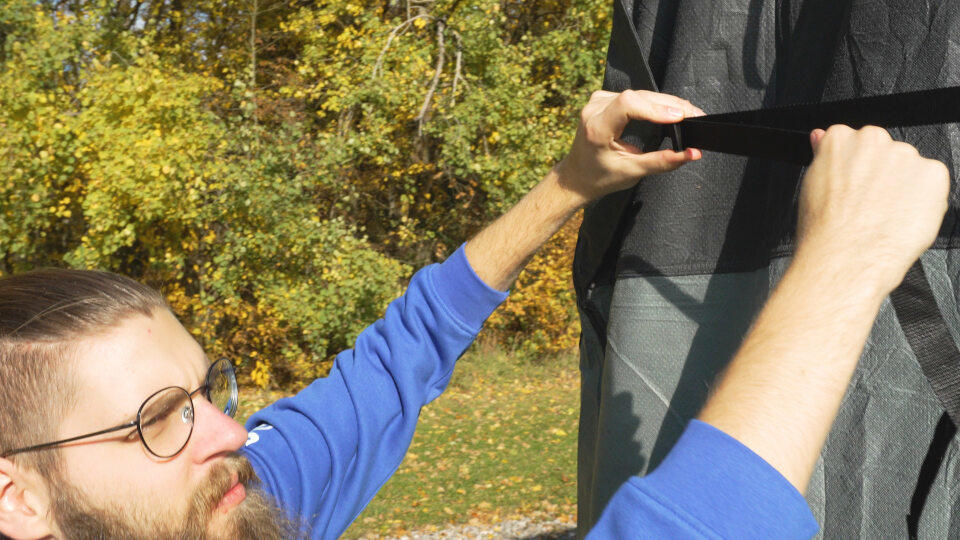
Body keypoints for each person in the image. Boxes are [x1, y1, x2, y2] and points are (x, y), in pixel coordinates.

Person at [0, 88, 947, 539]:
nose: (232, 430)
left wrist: (569, 182)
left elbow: (395, 357)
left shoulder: (228, 504)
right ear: (19, 498)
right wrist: (844, 261)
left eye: (207, 390)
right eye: (161, 419)